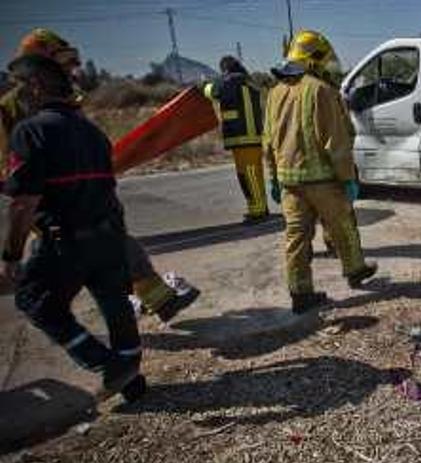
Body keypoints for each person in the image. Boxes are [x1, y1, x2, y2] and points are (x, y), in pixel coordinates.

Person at [1, 28, 200, 323]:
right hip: (49, 199)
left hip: (76, 189)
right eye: (65, 64)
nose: (71, 70)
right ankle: (98, 331)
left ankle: (150, 303)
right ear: (41, 66)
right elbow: (17, 162)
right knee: (80, 257)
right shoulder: (15, 107)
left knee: (106, 243)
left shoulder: (58, 97)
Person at [1, 55, 143, 393]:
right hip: (107, 233)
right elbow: (107, 189)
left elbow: (24, 204)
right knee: (115, 302)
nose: (14, 95)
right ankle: (130, 375)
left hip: (65, 241)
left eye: (18, 86)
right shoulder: (92, 132)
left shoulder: (31, 131)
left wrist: (11, 255)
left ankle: (107, 363)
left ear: (35, 86)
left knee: (34, 299)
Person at [263, 30, 377, 313]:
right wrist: (348, 179)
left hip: (289, 182)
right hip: (323, 181)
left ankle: (300, 293)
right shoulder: (321, 91)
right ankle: (355, 270)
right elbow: (336, 143)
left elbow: (267, 139)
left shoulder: (275, 92)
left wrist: (273, 178)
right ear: (313, 59)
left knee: (296, 238)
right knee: (344, 227)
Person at [203, 56, 269, 223]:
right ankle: (261, 207)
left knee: (248, 175)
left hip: (241, 136)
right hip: (252, 135)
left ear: (226, 68)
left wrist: (204, 86)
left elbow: (216, 92)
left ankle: (258, 211)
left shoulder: (231, 80)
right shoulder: (249, 81)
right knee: (255, 174)